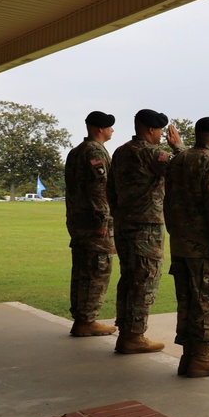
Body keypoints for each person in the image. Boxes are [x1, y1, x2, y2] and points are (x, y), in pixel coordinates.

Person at [108, 109, 183, 353]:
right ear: (151, 129)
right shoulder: (151, 153)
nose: (162, 135)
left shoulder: (120, 151)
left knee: (129, 278)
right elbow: (184, 170)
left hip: (123, 225)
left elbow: (110, 189)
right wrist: (178, 147)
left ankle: (126, 332)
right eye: (160, 130)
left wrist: (119, 215)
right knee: (144, 279)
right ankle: (134, 336)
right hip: (146, 227)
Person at [165, 117, 209, 377]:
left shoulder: (179, 160)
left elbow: (167, 203)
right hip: (205, 247)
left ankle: (189, 358)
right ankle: (202, 358)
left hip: (181, 244)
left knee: (188, 301)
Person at [65, 111, 117, 337]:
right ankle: (87, 320)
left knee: (81, 270)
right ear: (99, 129)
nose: (112, 130)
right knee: (97, 269)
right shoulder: (95, 152)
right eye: (110, 126)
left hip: (78, 222)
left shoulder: (75, 152)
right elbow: (99, 188)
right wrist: (103, 219)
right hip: (94, 224)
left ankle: (81, 318)